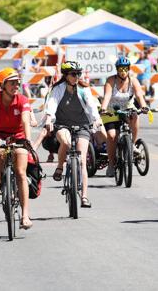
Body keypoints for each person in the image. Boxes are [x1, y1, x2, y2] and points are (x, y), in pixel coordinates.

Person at [40, 61, 102, 209]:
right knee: (66, 143)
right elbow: (52, 105)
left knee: (81, 161)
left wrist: (97, 120)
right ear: (66, 75)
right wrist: (49, 118)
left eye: (78, 74)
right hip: (62, 124)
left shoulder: (83, 89)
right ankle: (60, 166)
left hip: (82, 125)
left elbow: (92, 106)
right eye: (73, 74)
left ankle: (85, 196)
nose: (76, 77)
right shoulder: (58, 88)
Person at [0, 68, 33, 229]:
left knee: (20, 173)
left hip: (18, 135)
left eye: (17, 83)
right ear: (2, 85)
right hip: (0, 133)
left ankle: (25, 215)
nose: (16, 86)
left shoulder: (22, 99)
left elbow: (26, 121)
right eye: (12, 83)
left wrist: (28, 140)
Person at [99, 56, 149, 177]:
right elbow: (107, 96)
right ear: (117, 69)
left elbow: (139, 95)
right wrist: (103, 108)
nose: (123, 71)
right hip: (111, 111)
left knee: (135, 115)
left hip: (127, 108)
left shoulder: (133, 81)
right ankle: (111, 164)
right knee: (111, 135)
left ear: (129, 69)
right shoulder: (111, 80)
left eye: (125, 68)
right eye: (121, 69)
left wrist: (144, 106)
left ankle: (132, 144)